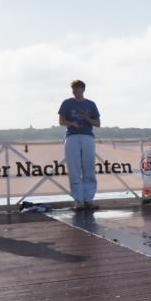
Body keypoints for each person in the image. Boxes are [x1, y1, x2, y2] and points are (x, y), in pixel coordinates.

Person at [58, 80, 101, 210]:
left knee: (89, 168)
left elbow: (98, 123)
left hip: (87, 136)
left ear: (83, 89)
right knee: (74, 169)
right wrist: (72, 124)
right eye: (73, 89)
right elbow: (61, 121)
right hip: (72, 137)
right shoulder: (67, 103)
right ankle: (78, 200)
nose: (74, 91)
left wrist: (87, 118)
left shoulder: (91, 104)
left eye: (77, 89)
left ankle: (88, 199)